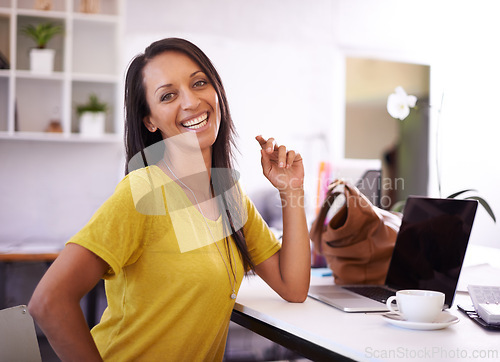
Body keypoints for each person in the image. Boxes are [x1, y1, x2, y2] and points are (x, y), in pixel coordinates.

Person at [28, 37, 310, 361]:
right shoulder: (143, 192)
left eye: (199, 83)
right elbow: (49, 301)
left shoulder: (230, 198)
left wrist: (292, 190)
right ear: (150, 120)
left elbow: (293, 286)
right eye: (168, 95)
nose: (190, 102)